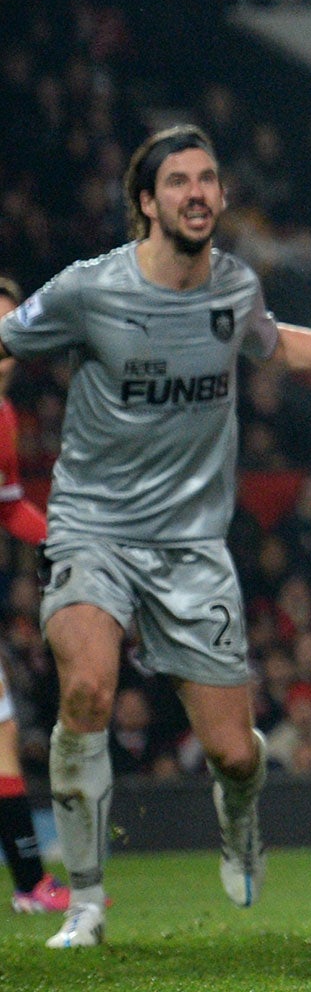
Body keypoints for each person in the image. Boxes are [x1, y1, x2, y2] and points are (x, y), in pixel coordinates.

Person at [0, 129, 311, 949]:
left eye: (209, 180)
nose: (197, 192)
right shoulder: (90, 290)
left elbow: (274, 344)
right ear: (146, 203)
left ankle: (240, 812)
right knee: (86, 688)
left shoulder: (234, 287)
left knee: (232, 752)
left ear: (221, 198)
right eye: (178, 181)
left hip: (192, 548)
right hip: (95, 528)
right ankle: (83, 901)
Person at [0, 277, 68, 915]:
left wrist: (63, 538)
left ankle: (29, 884)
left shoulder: (4, 413)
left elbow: (11, 506)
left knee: (4, 735)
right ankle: (29, 883)